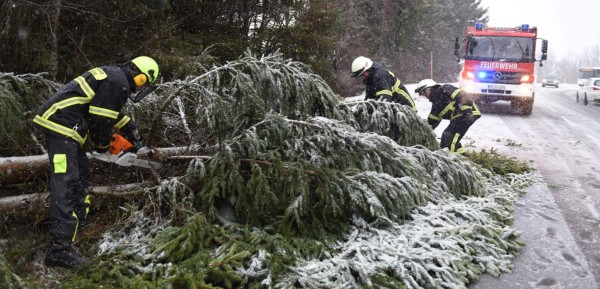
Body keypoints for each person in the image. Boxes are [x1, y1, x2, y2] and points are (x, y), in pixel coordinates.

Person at [33, 56, 159, 268]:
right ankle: (59, 249)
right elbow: (101, 120)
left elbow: (108, 110)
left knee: (81, 175)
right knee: (67, 182)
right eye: (143, 82)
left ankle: (75, 227)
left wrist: (130, 129)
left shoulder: (114, 77)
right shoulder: (118, 82)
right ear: (138, 76)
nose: (140, 88)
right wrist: (104, 146)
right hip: (61, 125)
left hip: (69, 129)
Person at [415, 79, 481, 154]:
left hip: (467, 113)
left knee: (448, 137)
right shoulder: (436, 105)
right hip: (460, 116)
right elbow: (432, 121)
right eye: (422, 93)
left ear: (430, 88)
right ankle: (461, 156)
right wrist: (423, 132)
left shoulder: (444, 89)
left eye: (424, 92)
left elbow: (463, 95)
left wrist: (467, 111)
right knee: (452, 138)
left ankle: (449, 159)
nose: (424, 95)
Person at [351, 56, 416, 110]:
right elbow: (369, 101)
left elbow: (385, 99)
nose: (362, 77)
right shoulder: (371, 81)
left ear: (368, 69)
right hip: (395, 109)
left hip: (406, 109)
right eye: (360, 76)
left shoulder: (380, 75)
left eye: (363, 74)